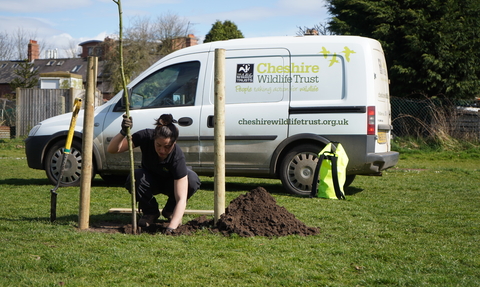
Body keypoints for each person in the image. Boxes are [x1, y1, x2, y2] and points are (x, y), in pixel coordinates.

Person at [107, 114, 201, 233]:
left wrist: (172, 227)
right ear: (154, 139)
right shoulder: (145, 136)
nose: (162, 150)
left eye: (167, 147)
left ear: (174, 142)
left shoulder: (177, 157)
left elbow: (181, 198)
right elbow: (113, 149)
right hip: (148, 181)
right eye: (158, 145)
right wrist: (123, 132)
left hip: (171, 184)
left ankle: (170, 211)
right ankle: (150, 212)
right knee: (135, 176)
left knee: (192, 179)